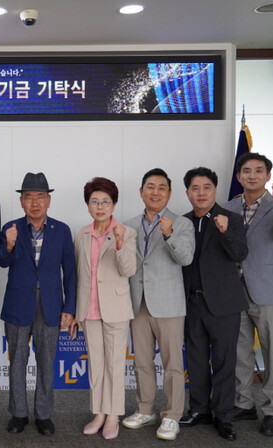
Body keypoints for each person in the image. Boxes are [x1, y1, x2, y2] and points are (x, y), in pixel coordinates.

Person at [224, 153, 273, 436]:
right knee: (239, 351)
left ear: (268, 176)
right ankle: (243, 403)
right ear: (238, 176)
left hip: (270, 292)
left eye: (259, 171)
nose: (252, 175)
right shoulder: (228, 207)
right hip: (235, 291)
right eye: (246, 171)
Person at [0, 172, 75, 436]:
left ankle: (43, 415)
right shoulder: (11, 227)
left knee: (46, 363)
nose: (35, 202)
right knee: (17, 362)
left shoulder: (61, 230)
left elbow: (70, 272)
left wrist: (69, 307)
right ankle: (18, 414)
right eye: (28, 197)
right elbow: (2, 262)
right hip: (18, 305)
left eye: (40, 196)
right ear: (21, 201)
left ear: (48, 200)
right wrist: (9, 245)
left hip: (51, 305)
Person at [121, 168, 194, 441]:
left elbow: (186, 258)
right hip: (137, 301)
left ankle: (172, 415)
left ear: (169, 193)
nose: (155, 192)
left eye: (161, 187)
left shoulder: (182, 224)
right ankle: (145, 409)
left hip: (169, 304)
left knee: (173, 363)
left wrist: (169, 234)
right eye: (150, 187)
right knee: (142, 362)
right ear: (141, 192)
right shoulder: (128, 225)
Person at [179, 167, 248, 441]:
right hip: (191, 302)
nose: (201, 193)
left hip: (223, 304)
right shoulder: (182, 222)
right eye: (195, 188)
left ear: (215, 190)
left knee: (224, 362)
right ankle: (199, 409)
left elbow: (240, 253)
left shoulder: (232, 219)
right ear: (187, 193)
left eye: (206, 187)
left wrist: (224, 231)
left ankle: (223, 416)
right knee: (196, 360)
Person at [72, 177, 136, 441]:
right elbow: (78, 274)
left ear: (114, 204)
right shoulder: (81, 235)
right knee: (96, 364)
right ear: (88, 205)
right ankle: (98, 413)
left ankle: (113, 415)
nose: (100, 207)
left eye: (105, 201)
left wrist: (119, 244)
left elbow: (129, 270)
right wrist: (76, 312)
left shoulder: (126, 232)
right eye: (94, 201)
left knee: (114, 365)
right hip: (89, 310)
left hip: (116, 308)